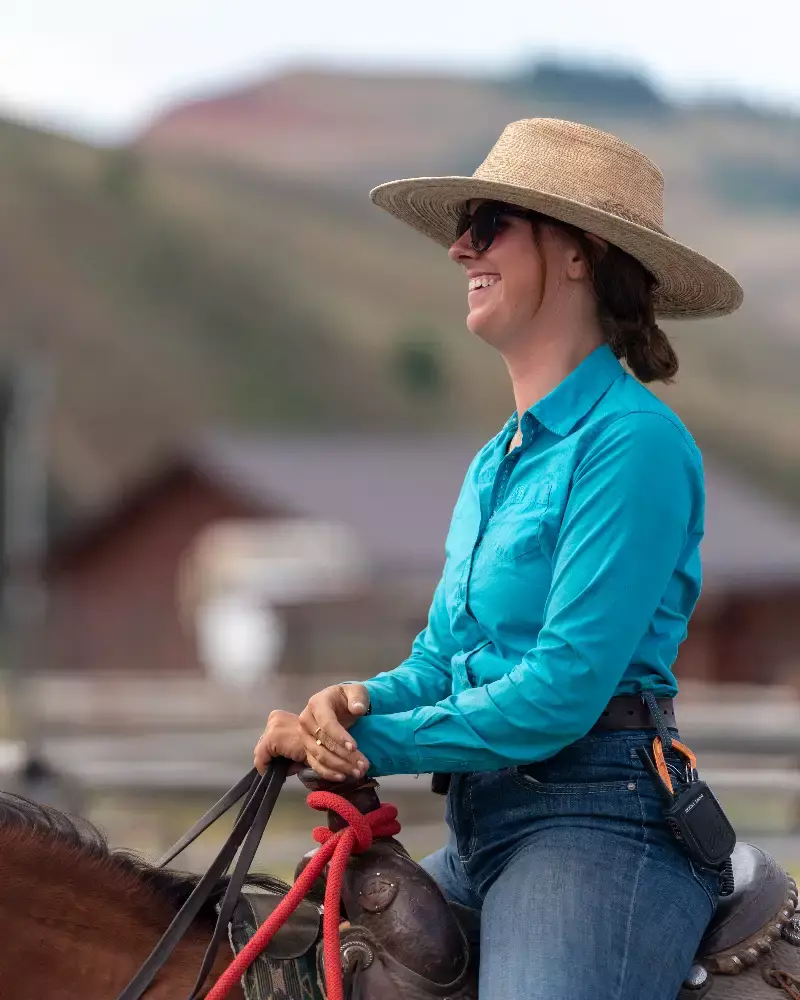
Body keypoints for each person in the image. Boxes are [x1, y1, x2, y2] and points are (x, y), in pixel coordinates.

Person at [254, 118, 743, 999]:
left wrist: (365, 745)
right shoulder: (496, 462)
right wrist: (350, 704)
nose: (459, 249)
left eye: (488, 224)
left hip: (604, 823)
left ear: (580, 252)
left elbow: (561, 689)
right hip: (483, 828)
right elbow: (443, 660)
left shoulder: (632, 445)